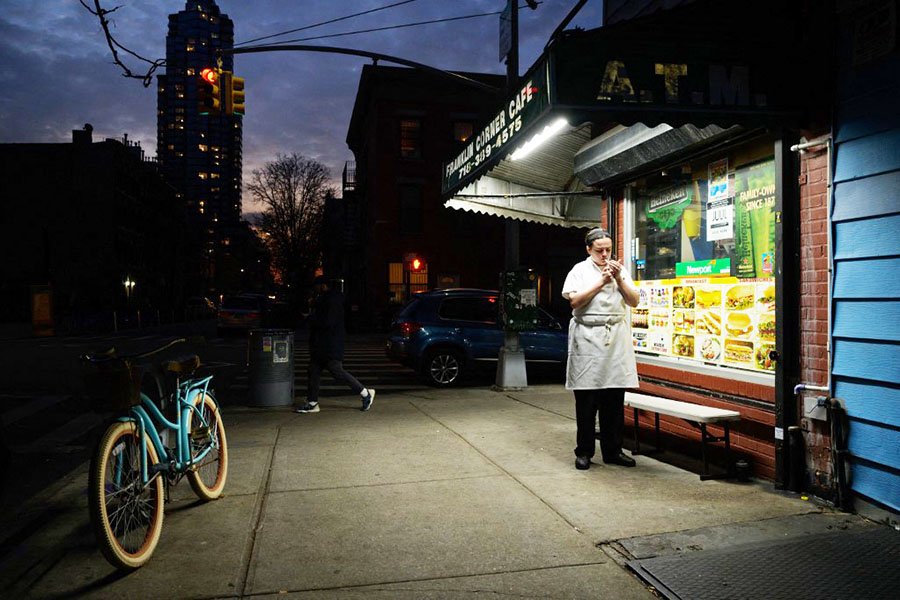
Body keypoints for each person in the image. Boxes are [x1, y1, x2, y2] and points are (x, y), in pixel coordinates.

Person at [562, 228, 640, 470]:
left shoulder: (621, 270)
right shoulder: (579, 270)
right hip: (587, 337)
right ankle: (584, 451)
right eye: (599, 251)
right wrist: (602, 281)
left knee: (614, 399)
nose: (605, 255)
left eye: (608, 250)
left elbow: (634, 301)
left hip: (615, 338)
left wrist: (617, 278)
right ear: (588, 250)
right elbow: (575, 301)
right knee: (587, 400)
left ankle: (613, 450)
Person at [295, 276, 375, 413]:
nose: (314, 289)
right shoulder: (326, 299)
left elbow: (328, 321)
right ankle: (313, 402)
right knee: (313, 371)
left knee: (336, 371)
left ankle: (366, 393)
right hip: (322, 343)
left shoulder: (332, 300)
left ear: (323, 286)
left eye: (316, 286)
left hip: (329, 344)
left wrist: (310, 318)